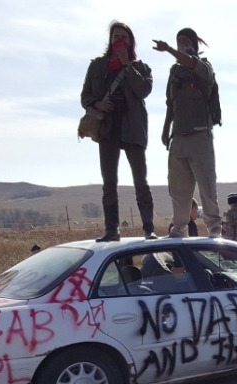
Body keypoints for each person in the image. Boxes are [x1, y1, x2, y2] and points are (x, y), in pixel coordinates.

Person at [81, 21, 156, 242]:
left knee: (140, 181)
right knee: (109, 182)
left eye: (124, 37)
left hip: (133, 128)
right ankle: (111, 230)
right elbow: (85, 96)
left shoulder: (141, 67)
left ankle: (148, 229)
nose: (119, 41)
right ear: (110, 40)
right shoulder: (97, 67)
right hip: (108, 128)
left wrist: (127, 65)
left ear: (131, 41)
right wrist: (96, 104)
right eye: (115, 37)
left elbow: (143, 90)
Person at [156, 27, 222, 238]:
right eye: (178, 41)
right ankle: (178, 229)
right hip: (179, 138)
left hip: (199, 135)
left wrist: (168, 50)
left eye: (185, 40)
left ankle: (214, 230)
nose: (181, 44)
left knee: (206, 185)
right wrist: (166, 129)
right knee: (178, 189)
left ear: (194, 44)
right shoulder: (175, 72)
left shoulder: (204, 67)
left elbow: (192, 63)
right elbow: (170, 103)